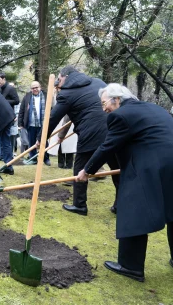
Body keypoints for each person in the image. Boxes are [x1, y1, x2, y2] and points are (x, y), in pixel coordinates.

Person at [76, 83, 173, 282]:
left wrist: (87, 170)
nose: (104, 109)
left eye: (104, 104)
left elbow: (108, 146)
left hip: (151, 165)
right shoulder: (153, 108)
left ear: (116, 99)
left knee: (133, 207)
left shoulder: (120, 115)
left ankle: (131, 266)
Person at [40, 66, 120, 216]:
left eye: (59, 78)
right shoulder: (98, 82)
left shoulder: (67, 93)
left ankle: (79, 205)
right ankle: (120, 205)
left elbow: (52, 118)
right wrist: (61, 134)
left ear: (66, 76)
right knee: (117, 169)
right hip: (114, 130)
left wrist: (41, 139)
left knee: (80, 167)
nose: (58, 81)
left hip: (91, 133)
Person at [18, 81, 51, 166]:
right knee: (31, 142)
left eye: (36, 87)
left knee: (44, 142)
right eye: (33, 88)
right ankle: (33, 159)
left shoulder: (46, 95)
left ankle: (46, 158)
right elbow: (22, 110)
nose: (35, 89)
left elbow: (51, 108)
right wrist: (20, 123)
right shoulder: (27, 96)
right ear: (31, 89)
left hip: (42, 124)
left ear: (40, 87)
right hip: (31, 124)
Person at [0, 74, 20, 159]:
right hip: (0, 116)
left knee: (7, 137)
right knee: (0, 136)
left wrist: (5, 101)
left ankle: (8, 156)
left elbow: (17, 101)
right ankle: (1, 154)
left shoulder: (10, 88)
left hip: (8, 116)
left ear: (3, 79)